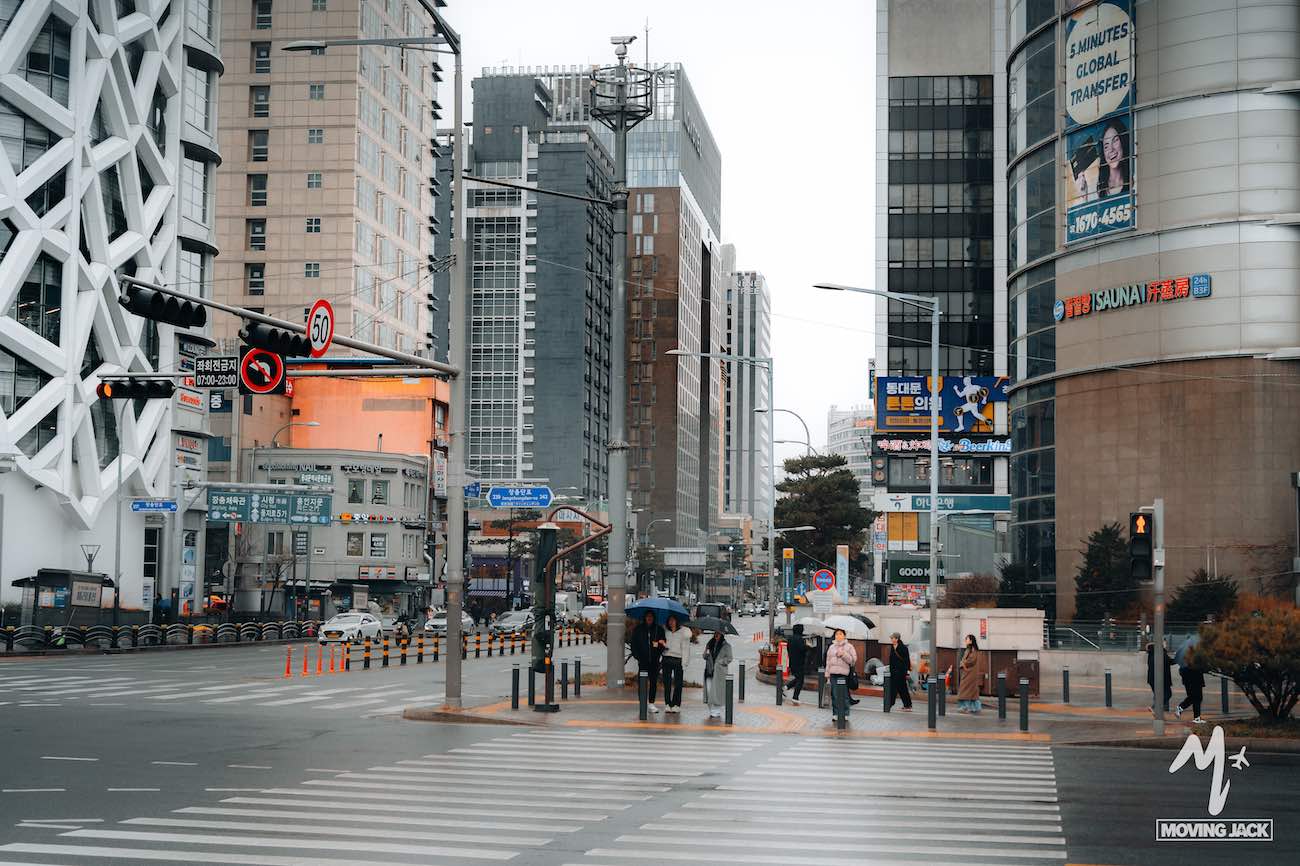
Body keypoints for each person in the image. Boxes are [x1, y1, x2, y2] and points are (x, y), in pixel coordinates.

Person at [631, 610, 666, 712]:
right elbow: (634, 644)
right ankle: (642, 701)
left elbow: (663, 644)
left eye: (651, 616)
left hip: (654, 662)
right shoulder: (638, 629)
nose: (649, 618)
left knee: (653, 682)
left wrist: (658, 647)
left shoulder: (659, 630)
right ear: (645, 617)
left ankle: (651, 703)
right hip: (642, 661)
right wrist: (637, 656)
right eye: (647, 616)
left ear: (654, 618)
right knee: (642, 682)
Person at [825, 628, 858, 720]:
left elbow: (853, 660)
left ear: (844, 636)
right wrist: (827, 674)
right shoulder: (831, 647)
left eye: (840, 634)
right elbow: (828, 661)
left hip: (843, 674)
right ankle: (835, 713)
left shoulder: (849, 647)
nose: (838, 636)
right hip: (833, 674)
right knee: (834, 695)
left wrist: (843, 655)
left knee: (844, 695)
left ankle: (846, 713)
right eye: (836, 634)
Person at [661, 614, 690, 713]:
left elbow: (685, 648)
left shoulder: (682, 632)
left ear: (677, 621)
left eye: (673, 620)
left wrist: (684, 663)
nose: (671, 622)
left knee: (678, 684)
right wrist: (663, 645)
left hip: (678, 659)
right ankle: (668, 703)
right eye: (670, 620)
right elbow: (662, 644)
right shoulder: (665, 631)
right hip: (666, 658)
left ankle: (676, 704)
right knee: (667, 683)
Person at [1096, 117, 1130, 199]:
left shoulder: (1134, 179)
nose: (1111, 149)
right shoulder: (1098, 188)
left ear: (1123, 142)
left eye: (1115, 141)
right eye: (1106, 146)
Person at [703, 630, 733, 719]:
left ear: (722, 635)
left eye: (718, 633)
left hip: (719, 671)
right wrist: (706, 653)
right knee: (709, 691)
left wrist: (720, 662)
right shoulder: (709, 643)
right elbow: (704, 656)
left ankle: (716, 711)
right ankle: (712, 710)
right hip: (709, 670)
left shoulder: (726, 646)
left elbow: (729, 658)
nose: (716, 635)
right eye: (715, 633)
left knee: (716, 692)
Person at [954, 633, 982, 714]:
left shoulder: (973, 650)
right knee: (972, 690)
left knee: (965, 689)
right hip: (969, 672)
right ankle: (975, 707)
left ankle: (965, 707)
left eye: (967, 639)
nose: (965, 640)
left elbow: (971, 660)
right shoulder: (970, 649)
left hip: (970, 673)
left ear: (971, 641)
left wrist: (963, 663)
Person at [1176, 652, 1206, 725]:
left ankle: (1182, 708)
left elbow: (1181, 671)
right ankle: (1195, 717)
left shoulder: (1184, 662)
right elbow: (1202, 669)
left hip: (1188, 682)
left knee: (1192, 697)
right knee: (1197, 698)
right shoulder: (1196, 660)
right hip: (1196, 681)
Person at [783, 623, 809, 705]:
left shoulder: (790, 639)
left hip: (792, 662)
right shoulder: (800, 639)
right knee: (800, 680)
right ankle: (795, 697)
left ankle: (785, 687)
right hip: (799, 662)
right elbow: (802, 649)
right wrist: (807, 646)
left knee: (798, 678)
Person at [887, 632, 913, 711]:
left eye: (892, 638)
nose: (891, 639)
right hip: (894, 672)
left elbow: (906, 661)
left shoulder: (903, 648)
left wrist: (905, 672)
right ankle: (893, 703)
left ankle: (907, 705)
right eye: (891, 638)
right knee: (894, 688)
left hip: (901, 672)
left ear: (897, 639)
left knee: (902, 689)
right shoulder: (892, 647)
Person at [1147, 640, 1174, 715]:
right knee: (1168, 694)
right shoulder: (1161, 653)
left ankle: (1157, 712)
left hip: (1152, 679)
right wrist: (1178, 659)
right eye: (1165, 644)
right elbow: (1170, 662)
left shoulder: (1152, 652)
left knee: (1157, 695)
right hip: (1161, 679)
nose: (1166, 645)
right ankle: (1154, 708)